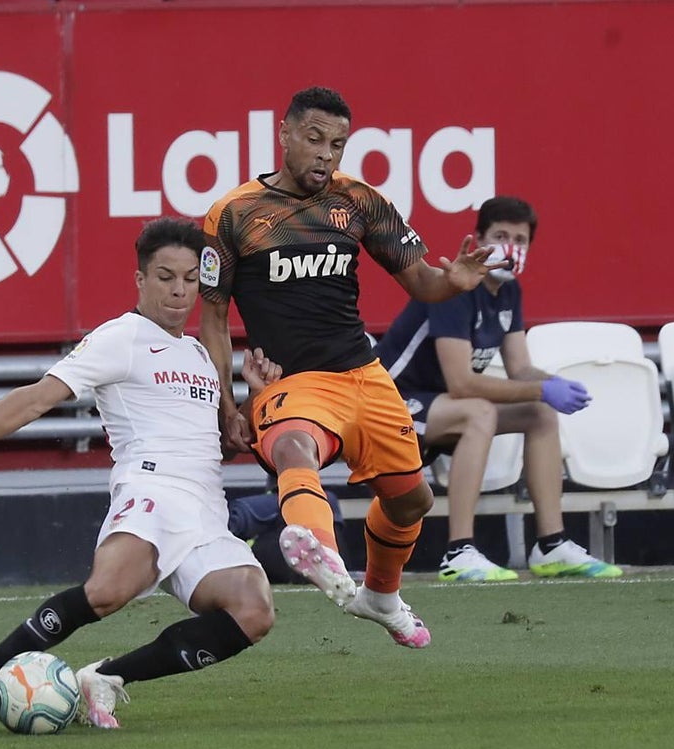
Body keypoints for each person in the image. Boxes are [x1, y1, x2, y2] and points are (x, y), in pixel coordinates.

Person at [0, 217, 278, 732]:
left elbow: (225, 447)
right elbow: (37, 398)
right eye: (166, 277)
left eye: (190, 279)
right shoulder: (120, 338)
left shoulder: (197, 354)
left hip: (206, 512)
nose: (179, 290)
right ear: (140, 279)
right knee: (106, 592)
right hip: (151, 490)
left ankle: (107, 677)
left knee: (254, 611)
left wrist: (256, 396)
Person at [199, 86, 498, 649]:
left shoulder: (358, 201)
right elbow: (213, 320)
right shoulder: (233, 214)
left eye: (336, 144)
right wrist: (227, 405)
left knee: (412, 500)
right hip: (292, 383)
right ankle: (323, 553)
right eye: (314, 139)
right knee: (294, 449)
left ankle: (381, 596)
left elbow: (422, 280)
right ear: (284, 134)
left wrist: (453, 281)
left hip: (364, 375)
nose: (325, 154)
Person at [375, 195, 622, 580]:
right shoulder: (454, 287)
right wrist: (541, 390)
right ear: (479, 240)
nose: (510, 247)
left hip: (436, 407)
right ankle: (458, 552)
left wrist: (553, 384)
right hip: (386, 402)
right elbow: (462, 383)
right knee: (480, 411)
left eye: (520, 240)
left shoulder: (508, 291)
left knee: (540, 415)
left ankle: (552, 545)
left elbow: (519, 368)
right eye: (501, 237)